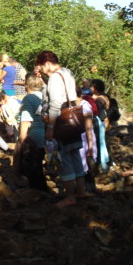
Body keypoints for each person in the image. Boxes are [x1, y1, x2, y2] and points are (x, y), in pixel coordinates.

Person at [36, 50, 92, 207]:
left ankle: (70, 196)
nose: (41, 70)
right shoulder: (67, 72)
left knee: (64, 158)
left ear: (47, 63)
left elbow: (55, 103)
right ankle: (81, 191)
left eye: (41, 66)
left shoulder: (54, 77)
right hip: (74, 117)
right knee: (75, 155)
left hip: (62, 120)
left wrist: (51, 128)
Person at [13, 73, 48, 191]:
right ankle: (43, 193)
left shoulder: (28, 98)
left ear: (27, 85)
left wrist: (22, 141)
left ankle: (38, 195)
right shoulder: (44, 96)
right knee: (38, 165)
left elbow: (25, 121)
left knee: (32, 168)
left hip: (33, 137)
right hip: (45, 135)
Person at [77, 87, 97, 193]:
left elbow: (88, 128)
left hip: (85, 140)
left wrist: (90, 146)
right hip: (80, 140)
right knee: (82, 166)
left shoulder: (85, 106)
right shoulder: (75, 105)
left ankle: (89, 190)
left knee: (87, 167)